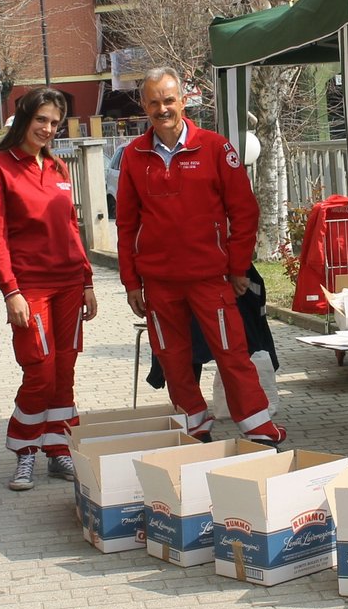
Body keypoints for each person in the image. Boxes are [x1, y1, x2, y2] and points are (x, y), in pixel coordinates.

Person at [115, 67, 284, 445]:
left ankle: (257, 425)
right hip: (158, 282)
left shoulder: (214, 147)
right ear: (144, 105)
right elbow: (125, 224)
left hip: (210, 277)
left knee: (232, 352)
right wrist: (131, 283)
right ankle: (194, 420)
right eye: (154, 101)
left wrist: (238, 266)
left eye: (169, 100)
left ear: (183, 101)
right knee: (172, 357)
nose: (163, 109)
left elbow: (245, 211)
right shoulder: (133, 156)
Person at [0, 88, 97, 488]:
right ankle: (24, 450)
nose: (47, 129)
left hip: (68, 286)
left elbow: (71, 230)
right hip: (30, 289)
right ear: (24, 118)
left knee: (65, 372)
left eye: (54, 123)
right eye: (41, 120)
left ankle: (59, 449)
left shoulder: (60, 169)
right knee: (40, 372)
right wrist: (10, 291)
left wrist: (87, 281)